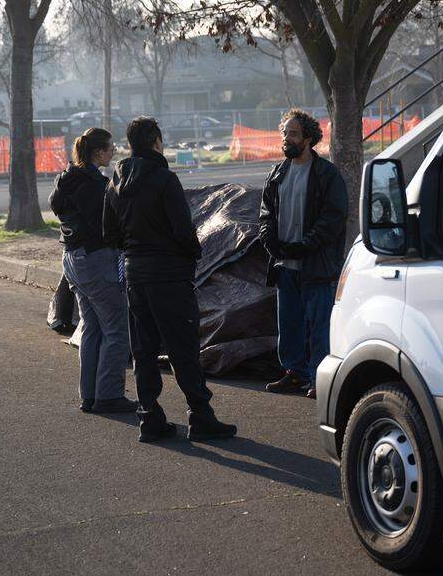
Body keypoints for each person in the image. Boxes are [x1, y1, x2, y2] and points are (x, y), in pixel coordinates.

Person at [102, 116, 237, 443]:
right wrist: (191, 257)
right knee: (182, 346)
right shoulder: (164, 180)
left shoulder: (114, 183)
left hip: (135, 271)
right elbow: (183, 231)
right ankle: (200, 415)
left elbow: (109, 233)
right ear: (156, 142)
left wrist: (134, 249)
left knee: (144, 348)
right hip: (168, 274)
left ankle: (149, 417)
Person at [259, 109, 349, 399]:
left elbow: (334, 218)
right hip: (285, 264)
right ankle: (294, 373)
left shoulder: (327, 174)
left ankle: (319, 378)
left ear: (309, 138)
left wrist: (306, 244)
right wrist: (270, 240)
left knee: (319, 326)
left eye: (293, 134)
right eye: (285, 133)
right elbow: (266, 214)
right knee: (289, 324)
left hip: (316, 265)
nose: (287, 139)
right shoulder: (277, 173)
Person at [49, 127, 137, 414]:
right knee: (117, 329)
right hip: (97, 260)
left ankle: (90, 394)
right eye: (111, 148)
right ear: (98, 152)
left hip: (72, 259)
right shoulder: (96, 185)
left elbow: (58, 209)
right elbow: (108, 226)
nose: (114, 151)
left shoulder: (67, 178)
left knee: (92, 328)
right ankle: (109, 395)